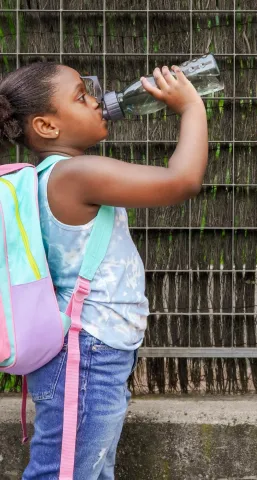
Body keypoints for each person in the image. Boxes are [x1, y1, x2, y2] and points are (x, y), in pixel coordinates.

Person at [0, 61, 208, 479]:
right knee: (67, 472)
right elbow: (182, 180)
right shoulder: (76, 175)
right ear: (46, 126)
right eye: (81, 96)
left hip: (91, 348)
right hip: (87, 351)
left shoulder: (54, 177)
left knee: (86, 469)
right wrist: (191, 109)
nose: (98, 100)